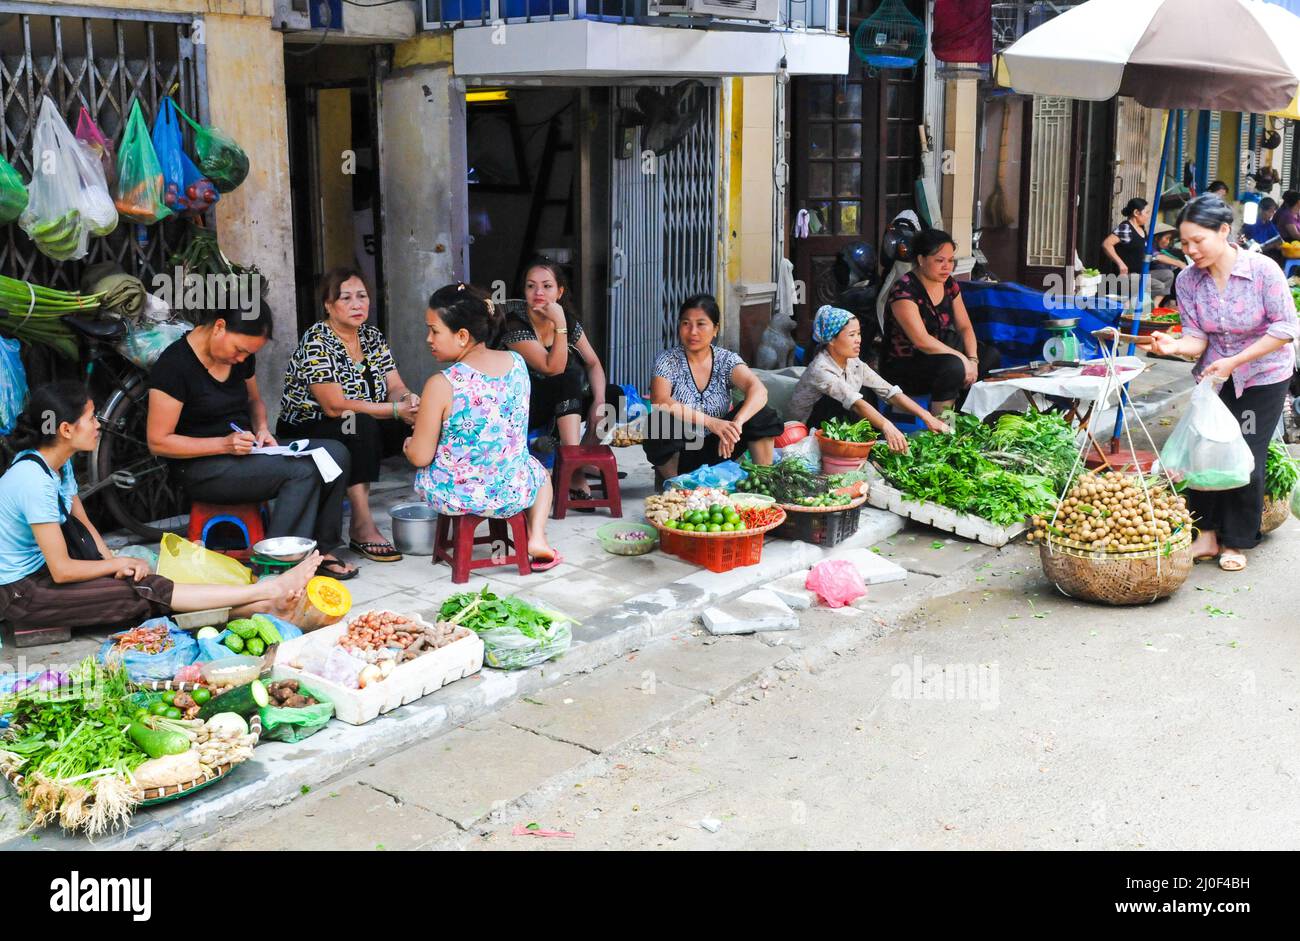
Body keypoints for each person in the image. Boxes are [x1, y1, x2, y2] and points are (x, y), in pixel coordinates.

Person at [0, 383, 322, 632]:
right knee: (142, 591)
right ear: (66, 430)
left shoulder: (57, 464)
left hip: (44, 574)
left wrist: (111, 562)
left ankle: (263, 605)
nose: (99, 424)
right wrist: (116, 565)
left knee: (144, 576)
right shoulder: (33, 480)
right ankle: (267, 592)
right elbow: (63, 569)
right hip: (24, 594)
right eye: (90, 418)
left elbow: (82, 523)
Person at [1145, 195, 1299, 572]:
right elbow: (1196, 338)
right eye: (1184, 243)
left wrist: (1235, 361)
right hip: (1215, 377)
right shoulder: (1187, 280)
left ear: (1225, 231)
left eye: (1198, 240)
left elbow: (1285, 329)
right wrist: (1172, 345)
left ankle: (1237, 540)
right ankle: (1207, 534)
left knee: (1245, 451)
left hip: (1263, 375)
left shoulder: (1263, 270)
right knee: (1205, 449)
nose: (1191, 250)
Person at [146, 303, 357, 580]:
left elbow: (254, 400)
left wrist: (261, 429)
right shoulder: (174, 366)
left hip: (245, 452)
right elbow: (158, 442)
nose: (241, 358)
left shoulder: (242, 360)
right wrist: (224, 444)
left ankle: (320, 548)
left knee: (335, 454)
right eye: (239, 350)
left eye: (249, 353)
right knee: (302, 471)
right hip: (200, 467)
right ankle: (279, 566)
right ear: (219, 327)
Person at [406, 284, 559, 569]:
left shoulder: (442, 383)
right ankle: (537, 536)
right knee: (540, 474)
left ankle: (527, 537)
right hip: (514, 489)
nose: (428, 339)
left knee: (419, 453)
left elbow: (420, 456)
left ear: (462, 336)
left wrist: (409, 444)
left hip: (458, 496)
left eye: (434, 330)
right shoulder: (517, 363)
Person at [278, 268, 419, 562]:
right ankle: (362, 524)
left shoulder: (371, 336)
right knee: (360, 427)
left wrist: (408, 401)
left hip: (360, 419)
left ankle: (442, 504)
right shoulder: (318, 340)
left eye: (362, 296)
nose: (357, 304)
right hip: (309, 426)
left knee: (423, 419)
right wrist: (394, 410)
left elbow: (394, 385)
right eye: (346, 298)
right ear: (329, 306)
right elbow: (334, 406)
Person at [500, 257, 615, 507]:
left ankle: (578, 460)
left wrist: (599, 400)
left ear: (560, 291)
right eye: (531, 286)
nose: (538, 292)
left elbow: (593, 363)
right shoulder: (514, 324)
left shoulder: (569, 322)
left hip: (562, 401)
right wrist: (560, 324)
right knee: (567, 377)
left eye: (547, 286)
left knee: (614, 397)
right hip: (523, 407)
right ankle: (573, 471)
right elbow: (552, 367)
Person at [643, 294, 783, 484]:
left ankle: (765, 483)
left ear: (715, 329)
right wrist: (711, 423)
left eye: (701, 324)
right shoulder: (668, 361)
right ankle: (677, 488)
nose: (692, 331)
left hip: (722, 447)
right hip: (683, 454)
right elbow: (660, 400)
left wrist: (737, 423)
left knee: (762, 415)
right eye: (686, 323)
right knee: (658, 422)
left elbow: (758, 390)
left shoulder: (726, 360)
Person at [786, 305, 949, 453]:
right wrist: (887, 426)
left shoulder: (853, 363)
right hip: (808, 430)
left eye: (859, 334)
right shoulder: (820, 369)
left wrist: (927, 417)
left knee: (865, 392)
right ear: (831, 340)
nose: (858, 340)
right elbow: (855, 403)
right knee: (848, 400)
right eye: (851, 335)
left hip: (839, 423)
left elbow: (889, 392)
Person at [879, 229, 1001, 415]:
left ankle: (964, 417)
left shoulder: (949, 284)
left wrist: (973, 360)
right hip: (905, 365)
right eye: (939, 260)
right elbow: (921, 340)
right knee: (953, 367)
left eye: (951, 260)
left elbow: (965, 326)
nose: (947, 267)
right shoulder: (903, 291)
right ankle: (943, 429)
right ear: (921, 260)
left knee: (990, 356)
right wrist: (962, 359)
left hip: (941, 354)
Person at [1101, 197, 1162, 306]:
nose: (1148, 216)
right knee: (1156, 286)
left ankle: (1148, 306)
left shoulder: (1142, 229)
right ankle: (1137, 307)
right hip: (1128, 275)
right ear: (1136, 213)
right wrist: (1121, 264)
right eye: (1146, 212)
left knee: (1166, 275)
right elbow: (1107, 244)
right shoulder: (1126, 228)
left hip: (1141, 272)